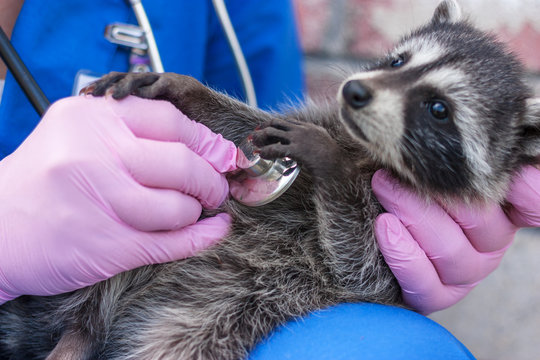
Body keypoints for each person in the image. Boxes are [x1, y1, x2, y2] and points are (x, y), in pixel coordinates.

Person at [1, 0, 539, 358]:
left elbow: (255, 152)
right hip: (81, 294)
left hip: (216, 313)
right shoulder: (331, 137)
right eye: (397, 62)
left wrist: (196, 101)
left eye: (438, 111)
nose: (371, 87)